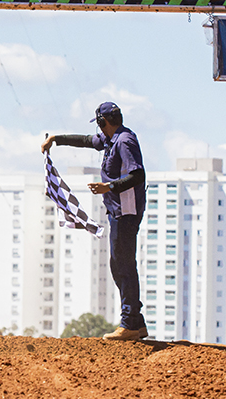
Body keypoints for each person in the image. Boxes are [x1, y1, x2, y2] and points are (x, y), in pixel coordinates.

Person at [40, 101, 148, 341]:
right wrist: (56, 139)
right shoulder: (111, 139)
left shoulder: (124, 141)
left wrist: (108, 186)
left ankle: (130, 323)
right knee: (117, 264)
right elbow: (87, 141)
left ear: (103, 122)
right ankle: (137, 323)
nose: (98, 130)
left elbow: (137, 174)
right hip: (117, 210)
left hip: (126, 211)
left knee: (123, 266)